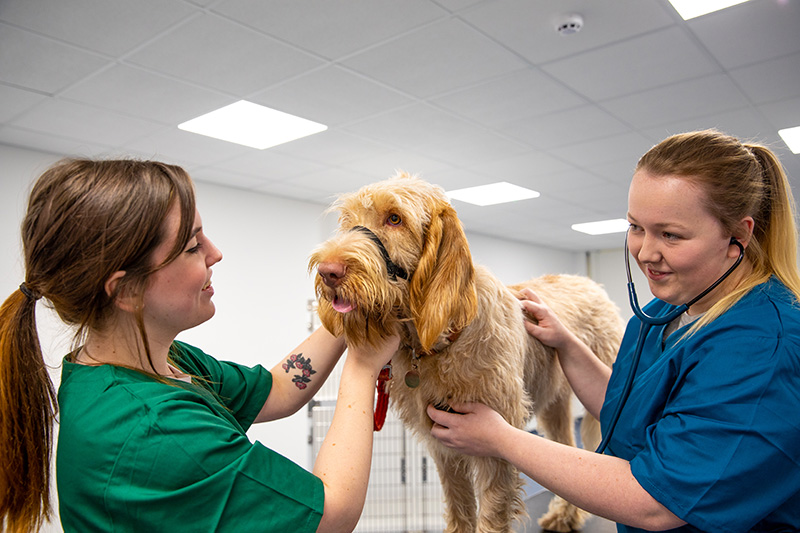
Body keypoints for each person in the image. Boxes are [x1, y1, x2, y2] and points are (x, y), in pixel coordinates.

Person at [427, 129, 800, 532]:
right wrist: (566, 344)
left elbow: (656, 501)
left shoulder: (763, 347)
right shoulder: (664, 311)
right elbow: (631, 410)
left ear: (738, 236)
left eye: (670, 234)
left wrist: (502, 439)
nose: (645, 252)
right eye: (636, 227)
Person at [0, 158, 399, 533]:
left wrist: (347, 310)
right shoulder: (154, 430)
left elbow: (277, 389)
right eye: (193, 247)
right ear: (126, 290)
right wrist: (363, 367)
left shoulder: (157, 364)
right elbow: (330, 514)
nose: (215, 253)